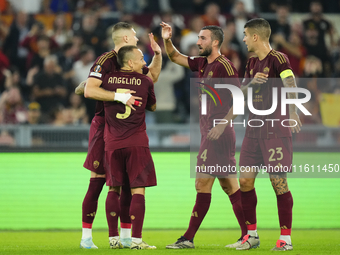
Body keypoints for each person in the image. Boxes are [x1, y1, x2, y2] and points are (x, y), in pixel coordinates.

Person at [160, 22, 247, 249]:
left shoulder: (224, 66)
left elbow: (239, 101)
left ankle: (188, 238)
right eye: (198, 38)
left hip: (218, 134)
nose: (198, 42)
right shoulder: (201, 63)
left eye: (203, 39)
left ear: (215, 42)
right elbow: (175, 57)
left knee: (202, 184)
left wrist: (221, 125)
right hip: (211, 133)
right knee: (230, 187)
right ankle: (249, 235)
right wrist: (168, 39)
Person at [78, 22, 161, 249]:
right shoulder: (105, 60)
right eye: (134, 36)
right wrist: (118, 96)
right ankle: (86, 237)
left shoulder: (132, 61)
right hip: (104, 125)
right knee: (97, 182)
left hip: (121, 129)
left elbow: (151, 76)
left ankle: (123, 237)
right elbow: (88, 91)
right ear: (125, 39)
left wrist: (158, 54)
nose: (137, 38)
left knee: (124, 183)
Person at [235, 18, 302, 251]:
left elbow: (291, 84)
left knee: (278, 183)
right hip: (253, 129)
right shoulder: (251, 62)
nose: (242, 39)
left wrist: (292, 112)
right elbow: (241, 93)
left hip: (275, 130)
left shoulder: (278, 59)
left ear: (255, 36)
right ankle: (251, 236)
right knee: (244, 181)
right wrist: (251, 84)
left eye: (245, 34)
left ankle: (285, 239)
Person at [102, 45, 157, 249]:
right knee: (138, 191)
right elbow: (152, 106)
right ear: (130, 62)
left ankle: (113, 238)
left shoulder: (106, 80)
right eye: (142, 58)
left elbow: (88, 90)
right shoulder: (145, 81)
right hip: (136, 142)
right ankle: (136, 240)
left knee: (113, 189)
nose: (144, 63)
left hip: (112, 143)